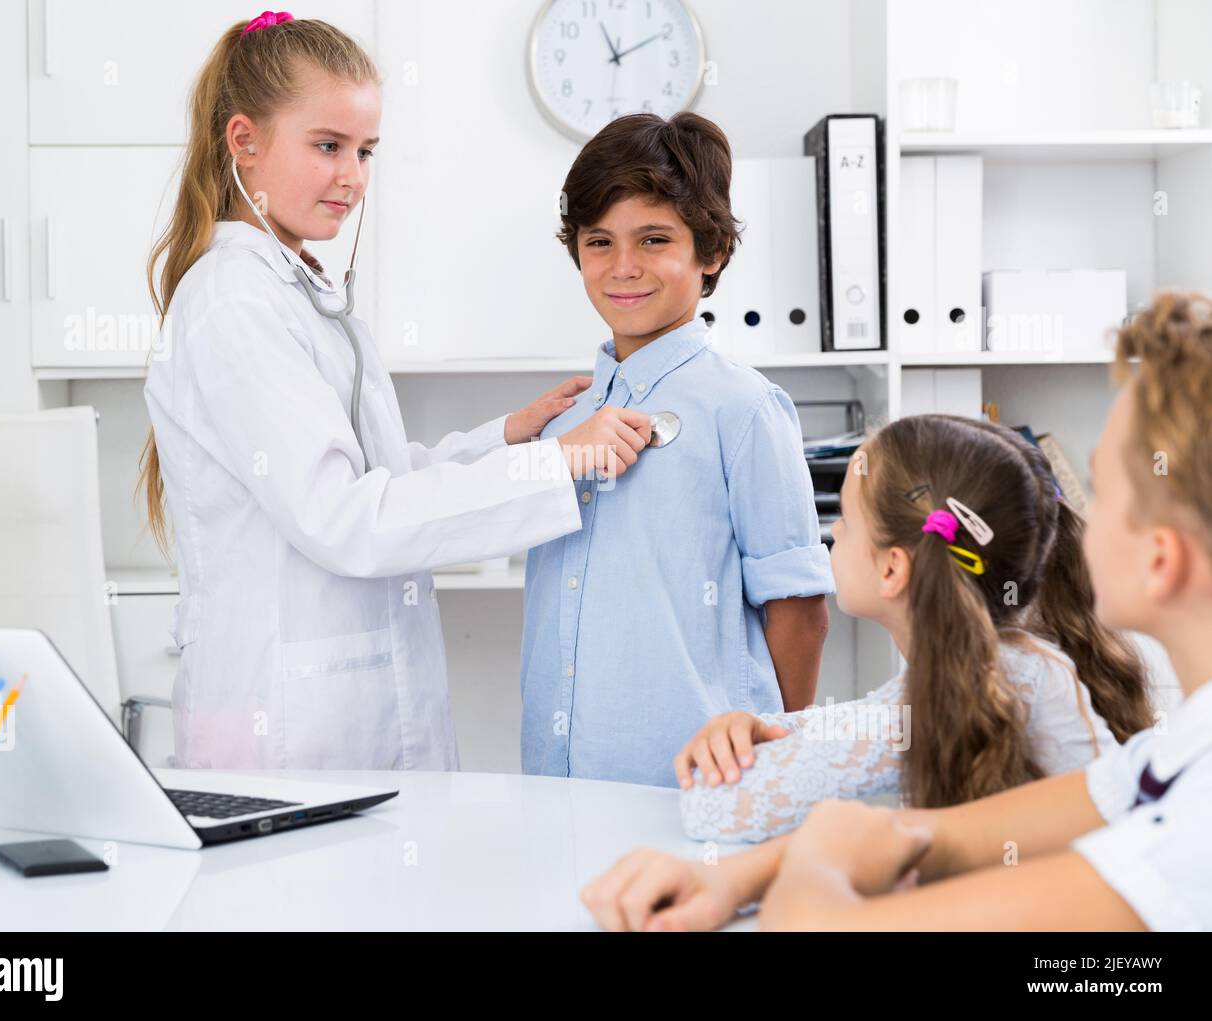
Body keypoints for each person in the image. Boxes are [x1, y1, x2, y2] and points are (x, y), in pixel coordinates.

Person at [582, 290, 1212, 932]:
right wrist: (729, 876)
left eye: (1102, 490)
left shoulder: (1192, 839)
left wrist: (826, 847)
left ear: (1161, 559)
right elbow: (932, 835)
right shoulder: (1173, 758)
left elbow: (816, 925)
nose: (1076, 519)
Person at [139, 13, 650, 770]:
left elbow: (371, 477)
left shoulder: (296, 287)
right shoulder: (234, 302)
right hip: (285, 726)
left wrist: (505, 436)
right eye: (328, 146)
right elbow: (349, 519)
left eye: (366, 151)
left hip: (337, 714)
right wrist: (554, 465)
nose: (352, 176)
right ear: (244, 140)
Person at [520, 112, 834, 789]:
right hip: (555, 780)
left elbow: (800, 612)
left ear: (711, 251)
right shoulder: (563, 421)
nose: (623, 267)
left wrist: (769, 761)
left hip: (698, 785)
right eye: (598, 241)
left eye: (654, 239)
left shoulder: (744, 408)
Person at [675, 415, 1150, 843]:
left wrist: (721, 760)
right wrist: (755, 727)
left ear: (892, 570)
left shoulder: (975, 682)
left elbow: (711, 810)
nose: (835, 532)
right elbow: (856, 721)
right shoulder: (1008, 660)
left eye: (848, 519)